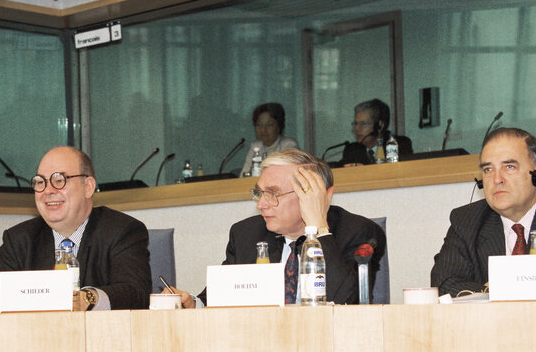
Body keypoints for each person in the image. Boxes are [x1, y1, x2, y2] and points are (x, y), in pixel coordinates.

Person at [172, 148, 386, 307]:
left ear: (314, 195)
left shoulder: (358, 233)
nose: (261, 204)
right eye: (259, 193)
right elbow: (220, 297)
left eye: (273, 194)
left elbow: (345, 301)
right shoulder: (247, 234)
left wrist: (318, 226)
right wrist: (192, 304)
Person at [0, 146, 151, 312]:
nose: (47, 190)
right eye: (40, 182)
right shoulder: (20, 239)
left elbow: (136, 294)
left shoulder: (122, 231)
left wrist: (88, 298)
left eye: (59, 180)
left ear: (88, 187)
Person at [431, 127, 536, 297]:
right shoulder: (466, 222)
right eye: (488, 169)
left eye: (509, 167)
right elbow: (444, 284)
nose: (497, 179)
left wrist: (503, 284)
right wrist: (496, 289)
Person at [339, 99, 413, 167]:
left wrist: (364, 171)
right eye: (356, 124)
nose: (357, 129)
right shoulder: (352, 150)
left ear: (380, 126)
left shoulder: (399, 145)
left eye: (363, 124)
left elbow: (402, 172)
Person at [240, 103, 299, 176]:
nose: (263, 130)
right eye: (259, 125)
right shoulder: (255, 147)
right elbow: (243, 175)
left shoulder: (289, 145)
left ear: (279, 126)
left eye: (269, 125)